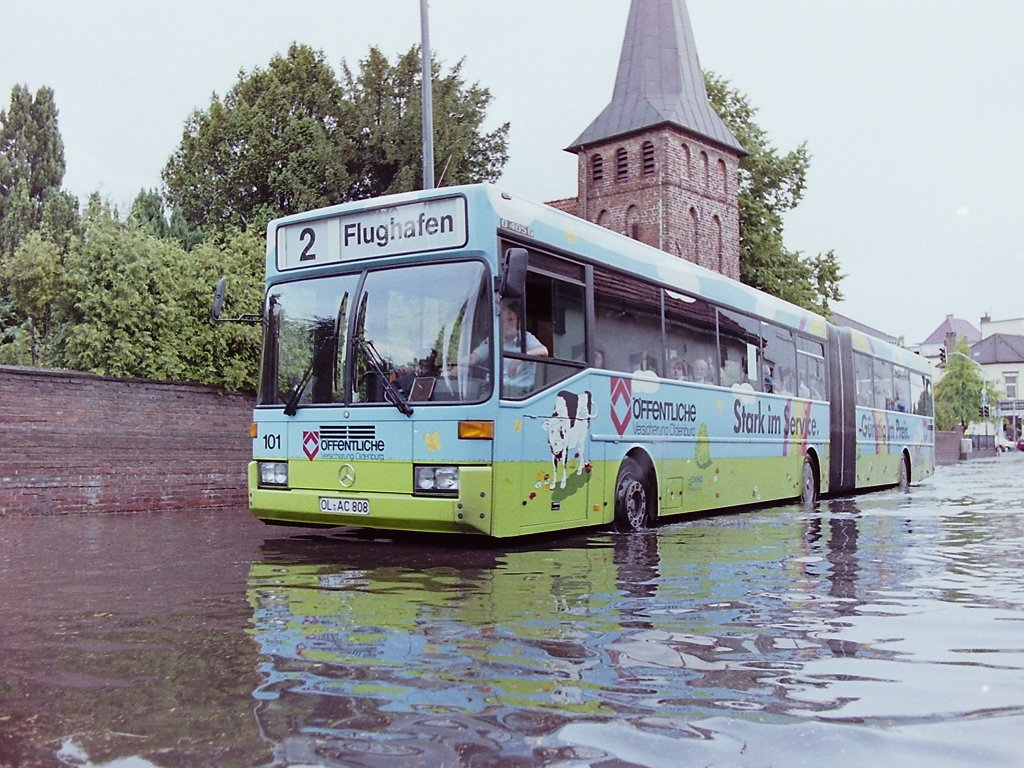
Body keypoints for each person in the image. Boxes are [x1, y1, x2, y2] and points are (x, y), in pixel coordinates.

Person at [455, 300, 548, 392]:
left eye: (510, 320)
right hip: (493, 390)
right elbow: (474, 358)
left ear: (519, 323)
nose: (506, 325)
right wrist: (457, 365)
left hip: (519, 392)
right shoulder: (494, 339)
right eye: (502, 321)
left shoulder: (526, 338)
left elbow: (543, 351)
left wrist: (519, 359)